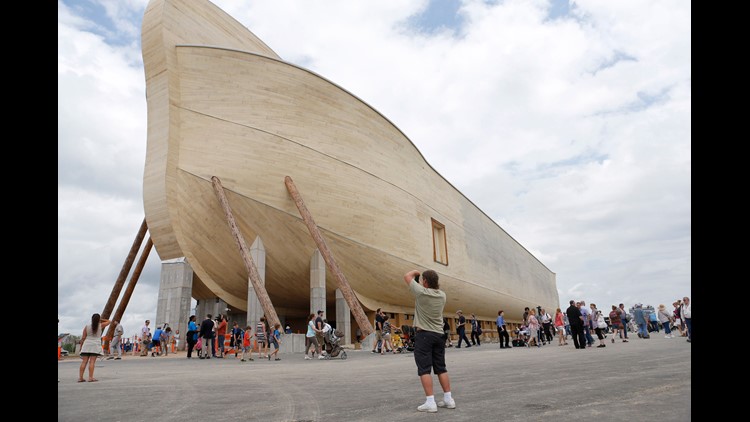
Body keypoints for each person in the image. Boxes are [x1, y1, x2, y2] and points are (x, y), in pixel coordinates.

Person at [403, 269, 454, 412]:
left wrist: (415, 272)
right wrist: (420, 277)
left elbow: (407, 275)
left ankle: (430, 401)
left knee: (424, 369)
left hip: (424, 334)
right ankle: (448, 399)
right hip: (439, 335)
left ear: (425, 281)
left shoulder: (421, 292)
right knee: (441, 367)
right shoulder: (442, 295)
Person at [78, 313, 110, 382]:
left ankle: (80, 378)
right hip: (95, 345)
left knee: (84, 362)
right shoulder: (100, 325)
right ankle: (90, 377)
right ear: (98, 319)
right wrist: (101, 319)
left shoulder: (86, 327)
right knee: (92, 362)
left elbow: (83, 338)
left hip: (86, 345)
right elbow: (109, 321)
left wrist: (81, 347)